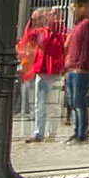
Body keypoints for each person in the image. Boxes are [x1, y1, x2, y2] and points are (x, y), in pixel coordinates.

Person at [63, 0, 89, 144]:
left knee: (79, 101)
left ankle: (82, 132)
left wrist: (82, 64)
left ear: (83, 7)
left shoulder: (87, 25)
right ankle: (76, 130)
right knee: (72, 101)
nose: (72, 11)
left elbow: (87, 47)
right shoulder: (76, 26)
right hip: (71, 68)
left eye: (75, 7)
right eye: (71, 8)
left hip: (80, 69)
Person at [19, 10, 55, 142]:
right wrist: (30, 21)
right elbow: (27, 36)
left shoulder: (53, 31)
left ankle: (51, 133)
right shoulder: (39, 31)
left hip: (53, 71)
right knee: (39, 103)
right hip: (42, 69)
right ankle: (39, 132)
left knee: (50, 104)